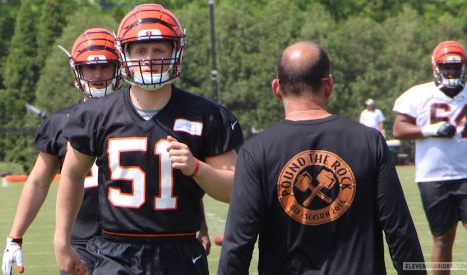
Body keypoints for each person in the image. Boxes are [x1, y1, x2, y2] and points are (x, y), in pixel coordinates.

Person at [53, 4, 243, 275]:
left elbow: (235, 188)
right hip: (115, 251)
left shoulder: (206, 115)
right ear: (125, 53)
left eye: (158, 49)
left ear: (175, 51)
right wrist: (61, 239)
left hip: (179, 250)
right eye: (140, 50)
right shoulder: (96, 115)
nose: (150, 58)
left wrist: (197, 168)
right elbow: (71, 175)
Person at [218, 41, 425, 275]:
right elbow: (400, 233)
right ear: (328, 85)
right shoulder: (370, 142)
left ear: (276, 88)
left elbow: (237, 245)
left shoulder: (256, 151)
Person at [1, 28, 122, 275]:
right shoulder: (61, 122)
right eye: (89, 67)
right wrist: (15, 235)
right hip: (78, 242)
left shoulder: (138, 117)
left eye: (105, 66)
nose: (97, 74)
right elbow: (37, 182)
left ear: (119, 67)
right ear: (77, 70)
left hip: (131, 240)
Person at [392, 40, 467, 275]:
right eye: (447, 67)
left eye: (456, 67)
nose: (452, 72)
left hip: (466, 173)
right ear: (436, 67)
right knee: (442, 238)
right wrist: (429, 130)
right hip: (433, 177)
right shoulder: (419, 94)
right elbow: (399, 129)